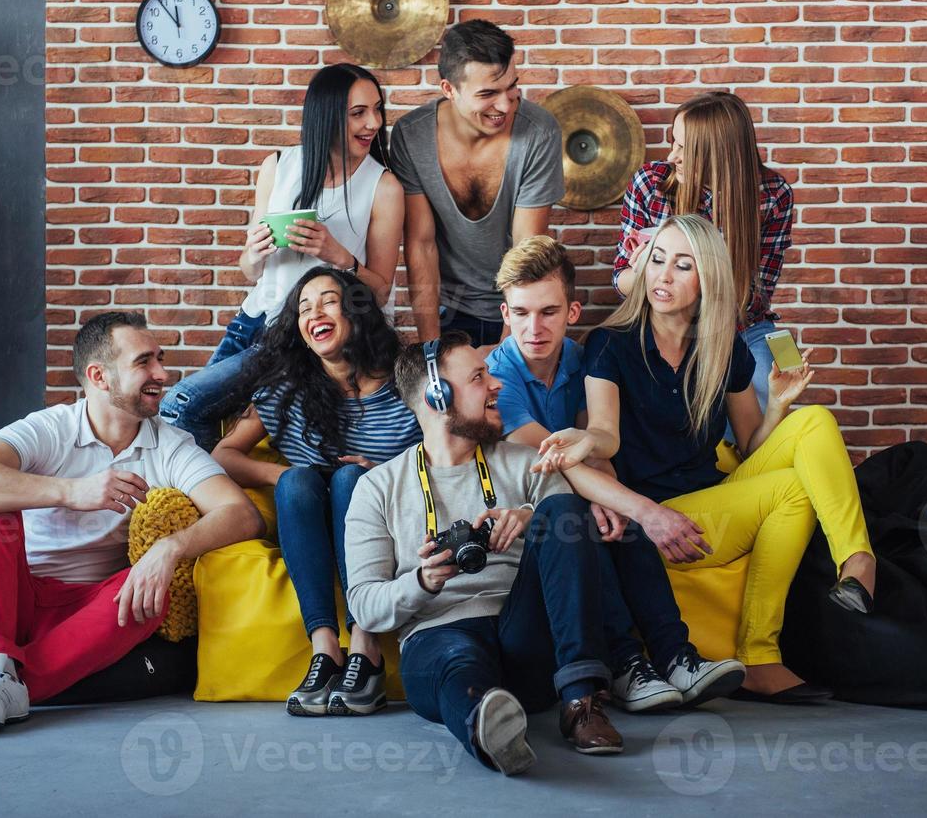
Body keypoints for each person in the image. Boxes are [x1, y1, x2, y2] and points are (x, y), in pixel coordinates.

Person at [542, 215, 877, 704]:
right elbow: (605, 434)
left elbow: (750, 449)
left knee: (814, 420)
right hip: (660, 521)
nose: (662, 276)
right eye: (656, 260)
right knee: (793, 488)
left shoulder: (724, 348)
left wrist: (779, 403)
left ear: (708, 279)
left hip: (717, 494)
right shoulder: (611, 344)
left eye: (682, 266)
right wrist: (586, 442)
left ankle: (858, 561)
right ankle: (760, 653)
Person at [0, 312, 264, 733]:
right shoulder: (51, 428)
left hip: (83, 618)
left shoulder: (169, 445)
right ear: (99, 376)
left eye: (160, 359)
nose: (163, 373)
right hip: (1, 602)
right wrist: (71, 492)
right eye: (144, 362)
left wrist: (168, 548)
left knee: (150, 594)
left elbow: (242, 514)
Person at [344, 333, 623, 775]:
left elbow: (573, 540)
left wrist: (533, 520)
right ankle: (488, 727)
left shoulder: (526, 461)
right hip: (438, 635)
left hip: (524, 633)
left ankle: (580, 702)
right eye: (479, 377)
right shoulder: (377, 487)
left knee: (563, 508)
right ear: (438, 396)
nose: (497, 386)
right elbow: (364, 605)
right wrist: (421, 581)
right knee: (458, 664)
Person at [487, 235, 745, 712]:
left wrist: (612, 493)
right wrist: (642, 509)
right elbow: (555, 464)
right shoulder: (496, 382)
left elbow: (595, 438)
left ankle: (676, 657)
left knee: (618, 518)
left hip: (580, 488)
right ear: (505, 315)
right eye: (520, 313)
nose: (534, 328)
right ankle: (628, 664)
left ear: (573, 313)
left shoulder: (582, 360)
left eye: (548, 312)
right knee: (594, 520)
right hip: (524, 511)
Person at [161, 62, 405, 450]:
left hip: (302, 337)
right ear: (326, 115)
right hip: (252, 323)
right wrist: (255, 252)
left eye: (377, 109)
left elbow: (378, 292)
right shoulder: (278, 165)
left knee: (181, 404)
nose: (373, 123)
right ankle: (209, 501)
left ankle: (223, 502)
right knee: (179, 424)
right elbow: (249, 271)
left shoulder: (383, 185)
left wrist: (337, 254)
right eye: (358, 113)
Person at [212, 267, 419, 717]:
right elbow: (223, 455)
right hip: (312, 521)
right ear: (300, 331)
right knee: (299, 481)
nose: (315, 314)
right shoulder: (287, 390)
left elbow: (441, 454)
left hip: (389, 523)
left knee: (349, 480)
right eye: (304, 308)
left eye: (327, 301)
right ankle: (325, 650)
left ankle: (366, 647)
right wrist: (281, 473)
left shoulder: (405, 382)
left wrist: (381, 473)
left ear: (357, 312)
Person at [391, 19, 564, 349]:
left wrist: (506, 348)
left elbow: (526, 251)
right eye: (487, 94)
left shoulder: (539, 132)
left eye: (512, 88)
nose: (504, 105)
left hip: (520, 308)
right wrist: (433, 351)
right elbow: (421, 245)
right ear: (449, 90)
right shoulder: (411, 135)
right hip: (447, 308)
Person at [612, 91, 793, 404]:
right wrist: (642, 272)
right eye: (674, 143)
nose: (672, 156)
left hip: (743, 327)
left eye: (684, 148)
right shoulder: (648, 184)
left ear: (719, 154)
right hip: (663, 328)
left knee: (784, 385)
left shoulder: (774, 195)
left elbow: (752, 298)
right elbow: (621, 281)